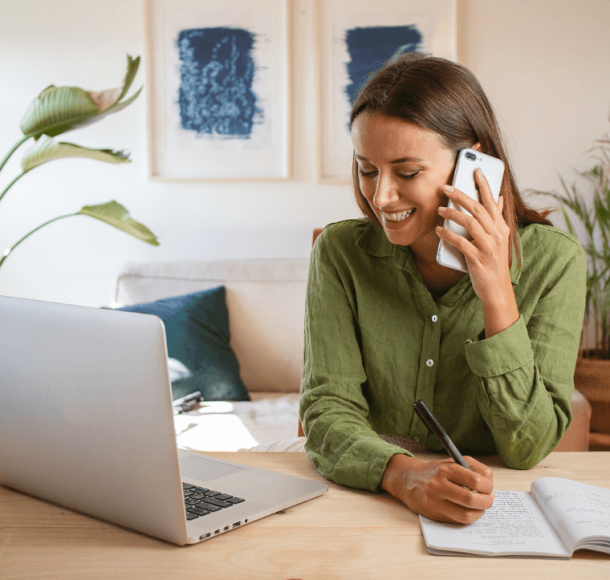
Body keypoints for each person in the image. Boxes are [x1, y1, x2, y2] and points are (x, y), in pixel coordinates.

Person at [299, 53, 587, 524]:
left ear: (472, 164)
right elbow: (328, 411)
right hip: (367, 500)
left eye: (407, 172)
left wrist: (496, 291)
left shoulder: (556, 263)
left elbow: (528, 448)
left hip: (492, 510)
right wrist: (403, 476)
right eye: (367, 168)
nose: (380, 196)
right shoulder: (340, 253)